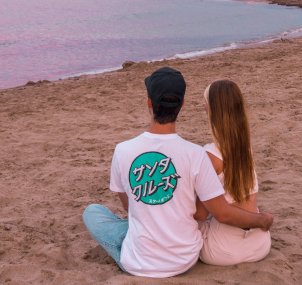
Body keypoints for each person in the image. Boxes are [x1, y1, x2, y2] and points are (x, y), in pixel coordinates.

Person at [83, 68, 274, 278]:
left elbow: (130, 206)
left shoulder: (123, 150)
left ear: (149, 103)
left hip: (145, 261)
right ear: (182, 105)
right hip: (186, 259)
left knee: (93, 213)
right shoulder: (196, 154)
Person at [195, 80, 272, 266]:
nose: (203, 106)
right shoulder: (245, 148)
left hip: (222, 249)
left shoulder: (210, 155)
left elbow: (200, 214)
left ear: (212, 110)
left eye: (205, 102)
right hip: (260, 244)